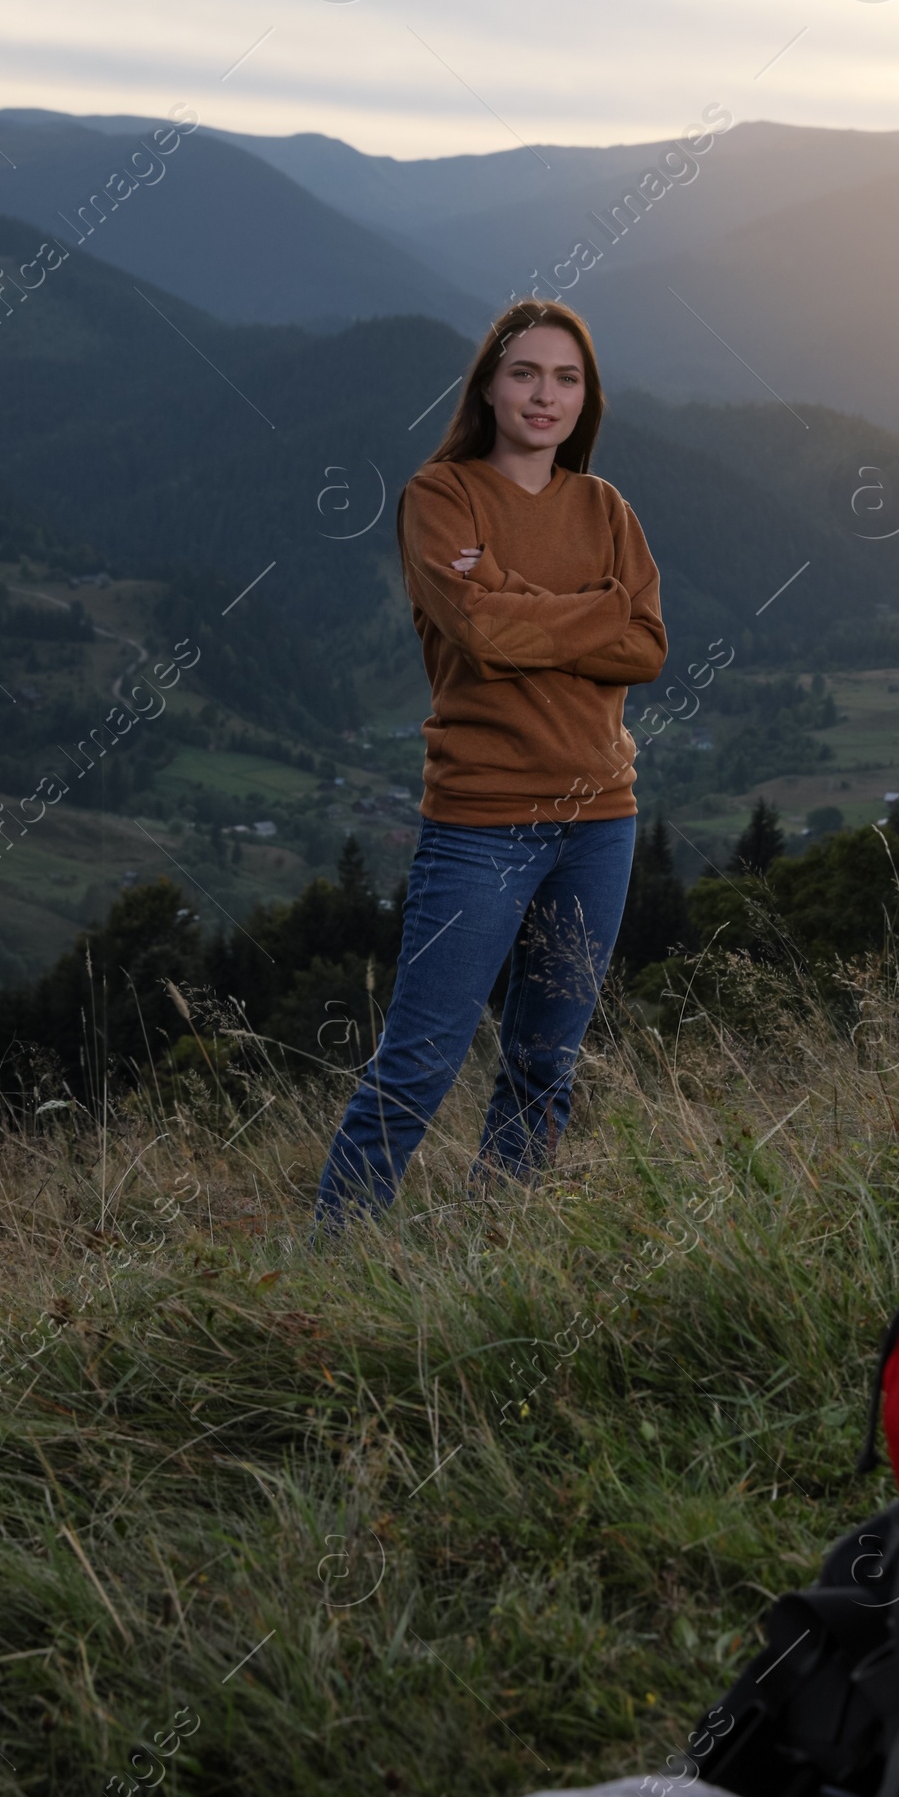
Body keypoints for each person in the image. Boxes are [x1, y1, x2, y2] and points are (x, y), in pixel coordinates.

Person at [314, 300, 668, 1224]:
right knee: (418, 1065)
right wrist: (591, 607)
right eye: (524, 373)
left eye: (566, 378)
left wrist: (514, 597)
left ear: (586, 398)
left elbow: (649, 647)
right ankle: (328, 1268)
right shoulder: (443, 496)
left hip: (599, 824)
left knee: (545, 1064)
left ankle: (497, 1249)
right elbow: (474, 629)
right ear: (487, 385)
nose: (544, 395)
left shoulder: (605, 508)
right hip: (480, 822)